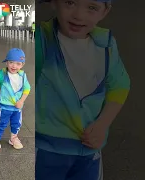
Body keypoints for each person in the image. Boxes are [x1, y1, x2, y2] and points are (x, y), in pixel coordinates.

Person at [35, 0, 130, 179]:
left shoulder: (106, 45)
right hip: (45, 148)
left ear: (105, 11)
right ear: (55, 3)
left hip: (89, 150)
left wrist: (102, 124)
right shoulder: (40, 41)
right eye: (70, 3)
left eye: (92, 7)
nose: (78, 15)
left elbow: (119, 85)